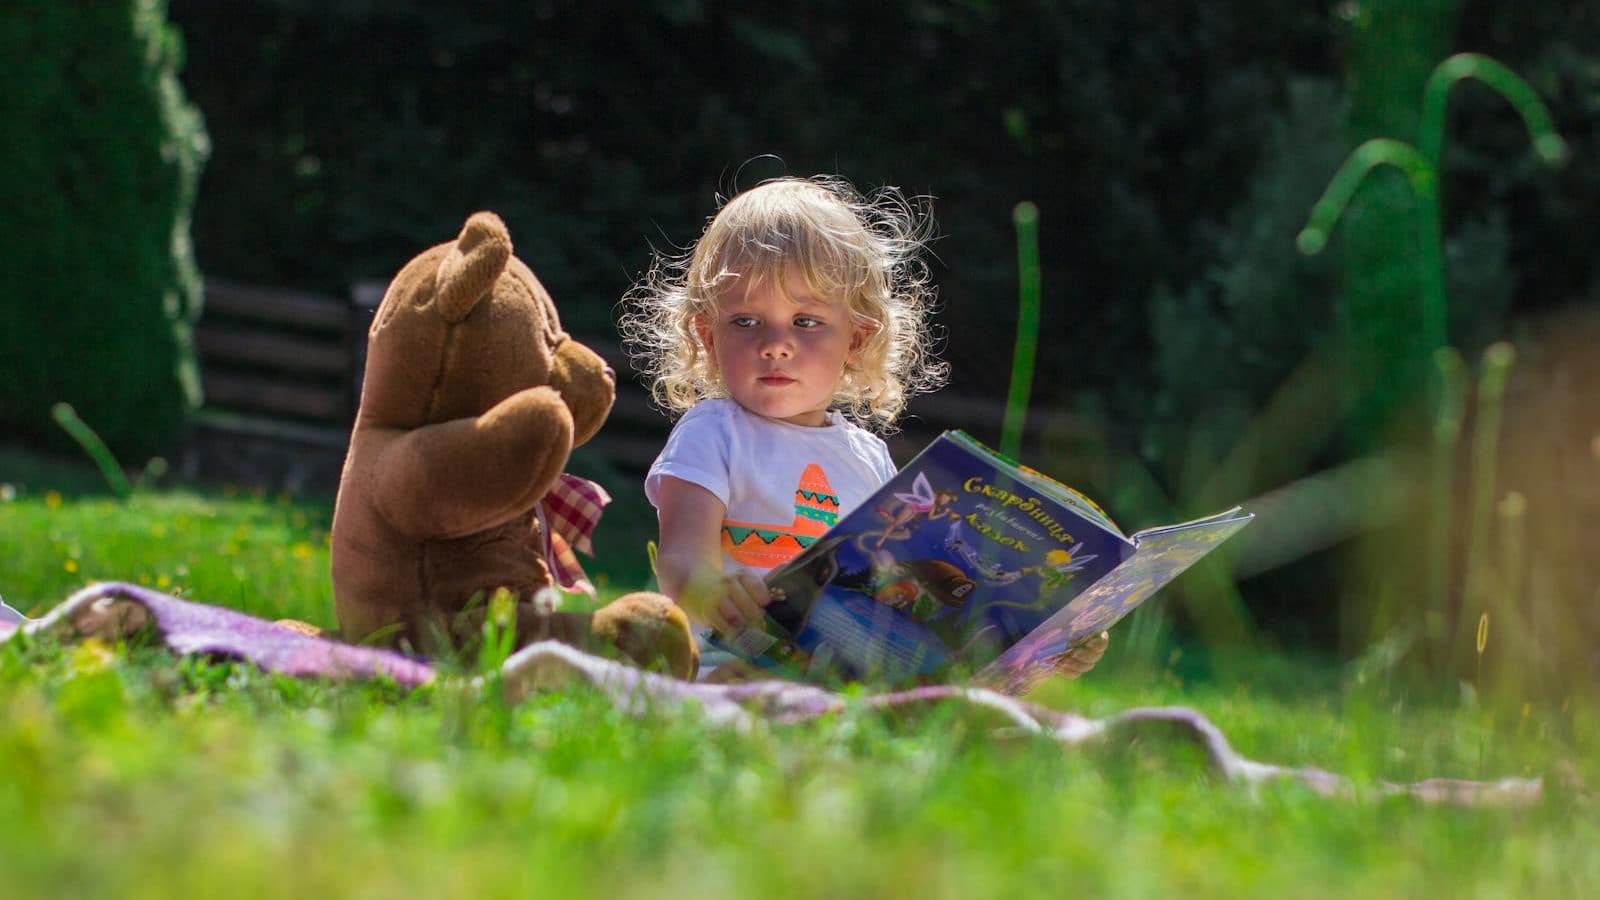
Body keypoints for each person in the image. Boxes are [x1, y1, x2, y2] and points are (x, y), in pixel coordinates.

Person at [622, 175, 1106, 680]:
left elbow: (896, 588)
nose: (775, 344)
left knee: (973, 717)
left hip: (849, 675)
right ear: (708, 335)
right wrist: (710, 592)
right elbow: (680, 559)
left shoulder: (868, 456)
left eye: (806, 321)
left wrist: (1048, 644)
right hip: (733, 660)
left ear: (856, 339)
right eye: (745, 320)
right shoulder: (713, 432)